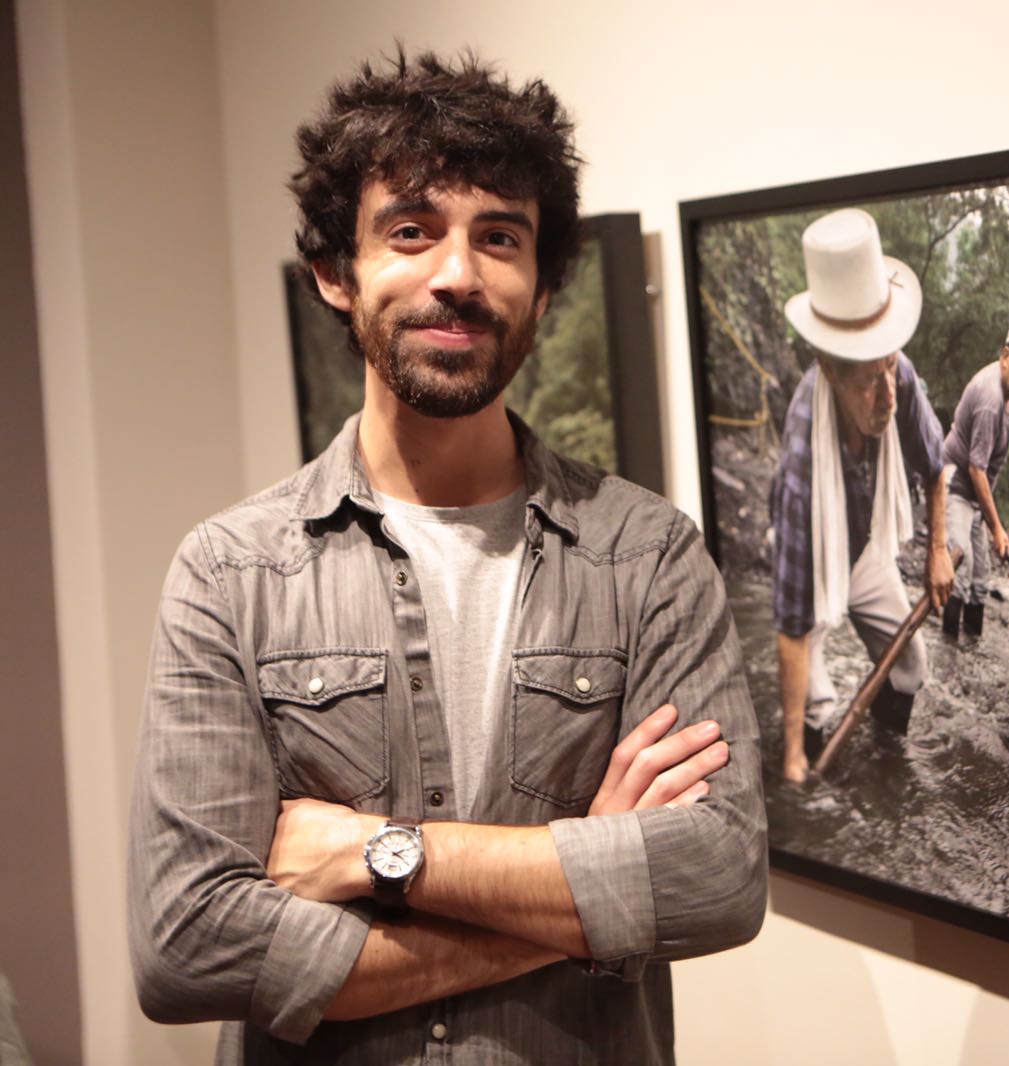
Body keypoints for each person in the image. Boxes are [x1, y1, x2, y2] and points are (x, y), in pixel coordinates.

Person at [127, 50, 766, 1064]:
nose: (458, 274)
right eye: (411, 231)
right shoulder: (230, 573)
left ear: (542, 287)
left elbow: (720, 879)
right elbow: (187, 946)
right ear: (336, 275)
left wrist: (376, 854)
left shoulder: (647, 557)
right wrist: (586, 895)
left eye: (499, 238)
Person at [770, 208, 953, 783]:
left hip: (864, 543)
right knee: (818, 710)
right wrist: (794, 754)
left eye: (888, 367)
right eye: (868, 380)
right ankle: (821, 774)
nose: (887, 395)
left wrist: (938, 550)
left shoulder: (897, 375)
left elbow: (935, 463)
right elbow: (791, 626)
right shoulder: (801, 461)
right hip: (819, 551)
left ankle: (885, 769)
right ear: (827, 368)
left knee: (909, 667)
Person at [940, 324, 1009, 638]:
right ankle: (948, 652)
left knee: (981, 580)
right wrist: (998, 528)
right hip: (956, 485)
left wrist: (989, 520)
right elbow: (976, 469)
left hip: (973, 498)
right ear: (1005, 356)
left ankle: (970, 649)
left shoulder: (1008, 392)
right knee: (961, 569)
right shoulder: (991, 399)